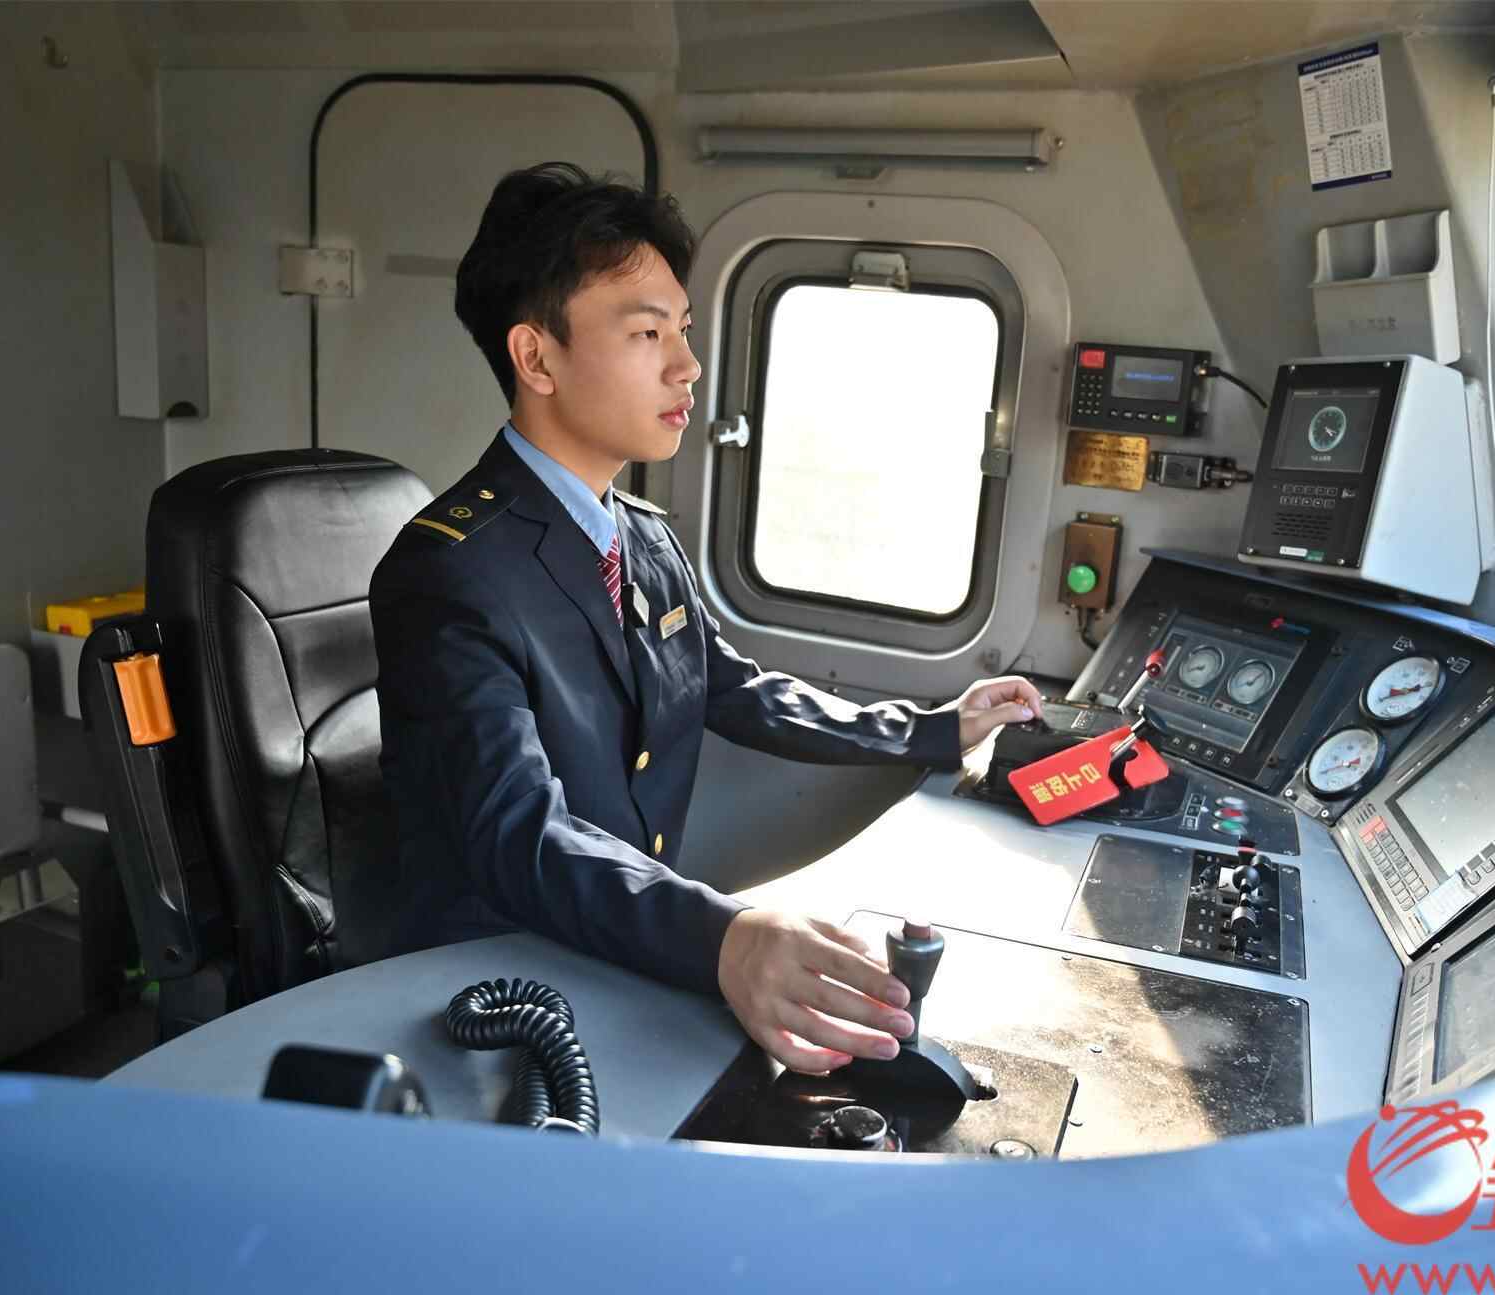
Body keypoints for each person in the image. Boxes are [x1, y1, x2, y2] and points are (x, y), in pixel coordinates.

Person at [369, 163, 1042, 1074]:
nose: (687, 365)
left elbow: (732, 688)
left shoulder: (641, 537)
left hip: (615, 950)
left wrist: (930, 728)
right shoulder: (452, 571)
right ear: (537, 359)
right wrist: (723, 935)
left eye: (682, 330)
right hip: (491, 994)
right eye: (647, 333)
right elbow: (517, 833)